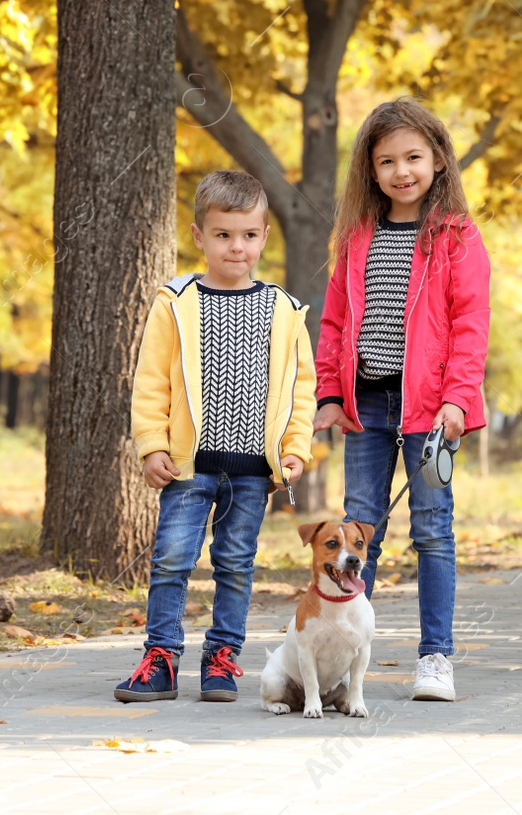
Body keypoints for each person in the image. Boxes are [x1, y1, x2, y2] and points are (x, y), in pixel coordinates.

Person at [313, 98, 491, 703]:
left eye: (413, 157)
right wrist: (331, 394)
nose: (401, 171)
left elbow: (470, 325)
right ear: (370, 169)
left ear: (438, 159)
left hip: (432, 409)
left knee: (433, 530)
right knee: (361, 525)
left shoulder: (457, 237)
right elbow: (335, 323)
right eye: (386, 160)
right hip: (367, 404)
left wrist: (458, 401)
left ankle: (435, 657)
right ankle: (340, 656)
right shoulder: (356, 237)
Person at [115, 170, 315, 703]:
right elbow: (151, 379)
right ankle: (160, 657)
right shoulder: (175, 302)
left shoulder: (283, 310)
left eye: (248, 235)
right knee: (172, 560)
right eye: (223, 235)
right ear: (199, 236)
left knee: (235, 564)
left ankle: (223, 658)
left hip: (251, 474)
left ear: (264, 236)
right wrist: (152, 444)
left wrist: (294, 451)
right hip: (190, 466)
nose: (236, 246)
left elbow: (301, 390)